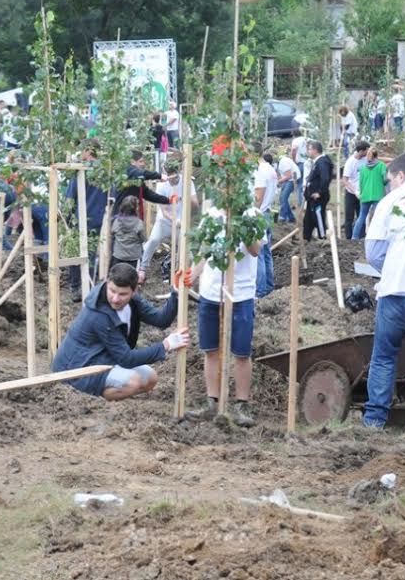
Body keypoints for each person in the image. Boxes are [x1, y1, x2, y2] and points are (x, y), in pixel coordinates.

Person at [361, 154, 405, 428]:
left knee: (384, 355)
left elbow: (374, 251)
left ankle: (375, 419)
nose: (388, 185)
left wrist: (392, 266)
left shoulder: (391, 201)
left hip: (396, 289)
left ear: (400, 176)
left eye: (389, 180)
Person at [50, 262, 189, 400]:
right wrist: (165, 345)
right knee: (133, 382)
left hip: (103, 357)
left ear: (134, 291)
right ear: (106, 283)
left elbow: (161, 320)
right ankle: (96, 402)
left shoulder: (133, 302)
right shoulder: (98, 315)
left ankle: (108, 391)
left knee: (150, 378)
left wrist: (176, 292)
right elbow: (126, 358)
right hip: (76, 369)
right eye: (112, 291)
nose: (115, 299)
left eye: (122, 294)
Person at [185, 209, 266, 427]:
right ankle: (212, 402)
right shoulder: (210, 215)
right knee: (210, 350)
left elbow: (256, 249)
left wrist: (241, 225)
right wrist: (192, 275)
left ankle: (241, 405)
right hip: (210, 293)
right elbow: (205, 251)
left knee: (241, 352)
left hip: (240, 294)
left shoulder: (253, 215)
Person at [139, 156, 198, 280]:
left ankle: (186, 275)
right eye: (169, 176)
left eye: (174, 176)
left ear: (178, 172)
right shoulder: (162, 185)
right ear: (166, 173)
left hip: (180, 223)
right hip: (164, 221)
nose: (172, 179)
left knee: (188, 254)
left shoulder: (187, 182)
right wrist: (174, 219)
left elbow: (195, 204)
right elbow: (164, 210)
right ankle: (142, 269)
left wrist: (189, 206)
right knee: (153, 241)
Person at [65, 139, 107, 299]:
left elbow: (70, 197)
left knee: (75, 253)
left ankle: (76, 288)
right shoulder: (106, 171)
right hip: (99, 219)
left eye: (82, 151)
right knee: (90, 253)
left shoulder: (80, 170)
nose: (80, 154)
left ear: (89, 151)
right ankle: (88, 287)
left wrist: (65, 219)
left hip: (80, 219)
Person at [254, 151, 278, 298]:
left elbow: (259, 195)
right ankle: (269, 285)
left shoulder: (261, 171)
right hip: (267, 212)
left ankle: (261, 290)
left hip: (260, 213)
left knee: (259, 254)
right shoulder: (270, 169)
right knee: (267, 252)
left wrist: (253, 213)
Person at [352, 148, 388, 240]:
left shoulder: (363, 167)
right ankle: (375, 236)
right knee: (377, 217)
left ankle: (354, 237)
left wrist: (361, 193)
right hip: (378, 195)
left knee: (361, 216)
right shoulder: (381, 165)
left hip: (365, 195)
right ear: (377, 156)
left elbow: (361, 182)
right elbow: (385, 179)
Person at [302, 140, 333, 241]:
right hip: (311, 197)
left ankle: (322, 237)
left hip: (318, 197)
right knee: (309, 219)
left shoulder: (322, 163)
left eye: (309, 149)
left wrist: (319, 192)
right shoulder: (317, 162)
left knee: (318, 216)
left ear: (315, 150)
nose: (308, 151)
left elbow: (325, 178)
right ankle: (306, 238)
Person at [342, 141, 368, 240]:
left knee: (361, 215)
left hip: (362, 193)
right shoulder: (350, 162)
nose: (367, 152)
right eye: (366, 150)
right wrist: (354, 191)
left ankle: (361, 237)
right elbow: (344, 180)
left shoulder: (365, 159)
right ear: (361, 151)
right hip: (351, 193)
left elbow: (378, 159)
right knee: (349, 216)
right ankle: (349, 239)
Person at [111, 196, 145, 270]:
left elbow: (112, 233)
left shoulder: (117, 221)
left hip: (118, 255)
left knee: (117, 276)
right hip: (133, 256)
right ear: (135, 208)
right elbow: (143, 239)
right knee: (130, 277)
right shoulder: (139, 223)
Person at [276, 147, 299, 223]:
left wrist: (278, 182)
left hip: (292, 180)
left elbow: (288, 175)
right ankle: (291, 217)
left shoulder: (283, 162)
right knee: (282, 198)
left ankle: (283, 217)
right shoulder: (281, 162)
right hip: (289, 179)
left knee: (283, 198)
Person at [290, 129, 309, 207]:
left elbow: (294, 149)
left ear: (293, 135)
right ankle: (306, 203)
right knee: (306, 183)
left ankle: (301, 203)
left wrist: (293, 160)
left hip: (300, 163)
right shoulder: (306, 139)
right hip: (308, 163)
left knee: (300, 184)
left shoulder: (295, 141)